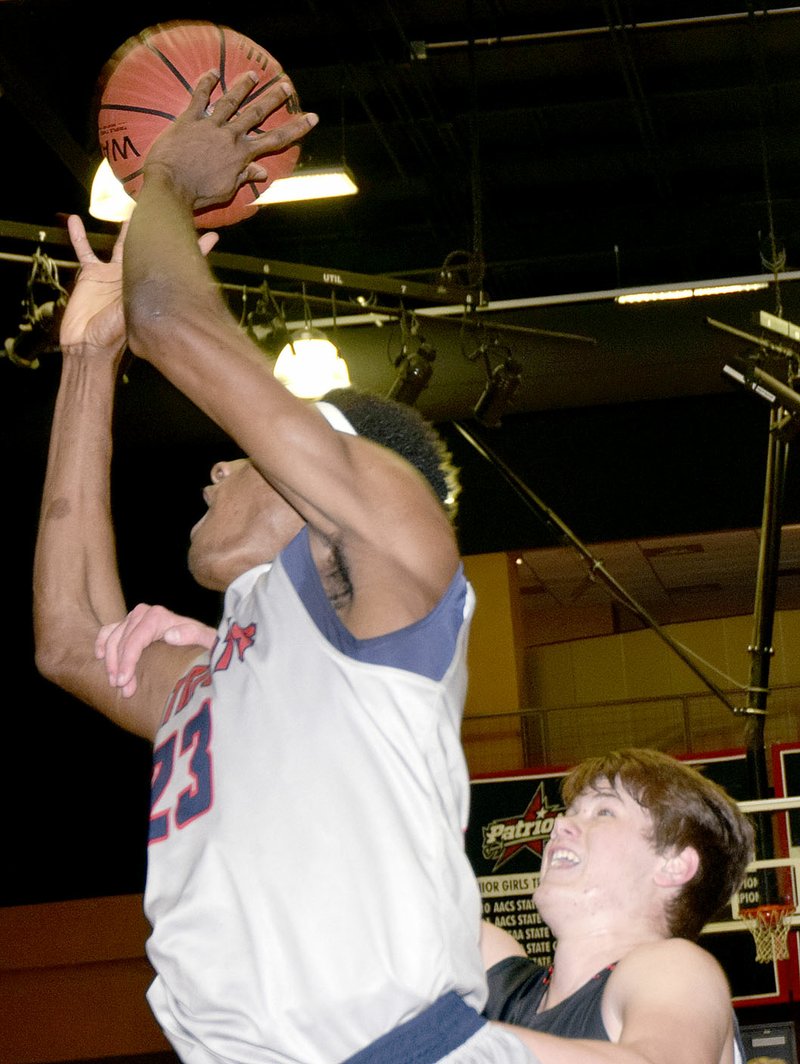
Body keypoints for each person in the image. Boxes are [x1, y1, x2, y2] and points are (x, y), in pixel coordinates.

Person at [33, 69, 537, 1062]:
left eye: (256, 448)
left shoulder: (388, 550)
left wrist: (168, 182)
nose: (220, 461)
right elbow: (68, 640)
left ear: (322, 465)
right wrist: (89, 364)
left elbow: (179, 325)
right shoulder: (237, 666)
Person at [479, 747, 755, 1063]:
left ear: (673, 865)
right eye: (571, 811)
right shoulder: (508, 985)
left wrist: (461, 1043)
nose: (559, 825)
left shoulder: (675, 968)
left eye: (604, 812)